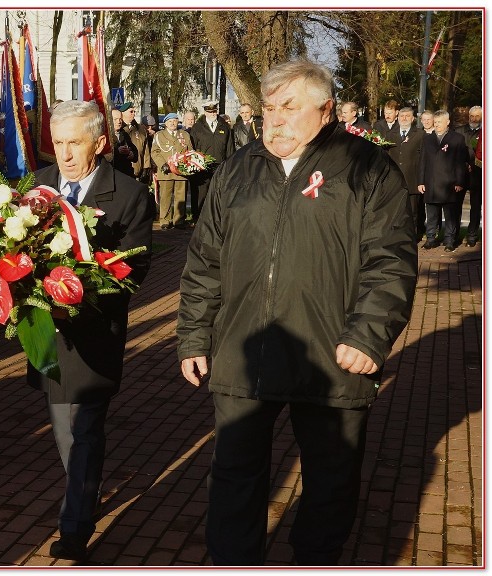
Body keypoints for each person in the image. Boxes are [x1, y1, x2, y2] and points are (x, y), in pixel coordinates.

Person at [177, 59, 417, 566]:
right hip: (244, 350)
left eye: (289, 107)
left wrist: (369, 337)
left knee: (330, 481)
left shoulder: (368, 169)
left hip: (332, 355)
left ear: (326, 110)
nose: (275, 119)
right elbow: (205, 263)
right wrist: (195, 337)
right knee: (234, 477)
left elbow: (390, 263)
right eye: (268, 108)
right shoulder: (238, 169)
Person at [29, 100, 154, 561]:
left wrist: (81, 295)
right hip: (46, 337)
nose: (63, 153)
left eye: (74, 143)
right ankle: (86, 490)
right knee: (64, 431)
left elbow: (135, 269)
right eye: (57, 143)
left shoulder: (127, 194)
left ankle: (76, 527)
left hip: (94, 336)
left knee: (83, 430)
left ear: (99, 143)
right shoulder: (38, 187)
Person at [418, 110, 468, 252]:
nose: (437, 124)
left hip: (449, 183)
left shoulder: (457, 138)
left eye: (440, 122)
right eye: (436, 122)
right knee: (432, 214)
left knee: (450, 215)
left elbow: (460, 163)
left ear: (447, 122)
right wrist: (421, 181)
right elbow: (423, 161)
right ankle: (431, 239)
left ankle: (449, 240)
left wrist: (459, 182)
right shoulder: (427, 139)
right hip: (431, 182)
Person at [189, 101, 234, 216]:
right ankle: (198, 216)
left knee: (218, 193)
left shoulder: (225, 126)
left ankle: (217, 217)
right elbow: (192, 148)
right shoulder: (197, 127)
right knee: (201, 193)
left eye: (214, 111)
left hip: (220, 166)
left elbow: (230, 148)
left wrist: (229, 165)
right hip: (202, 166)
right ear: (205, 112)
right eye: (210, 112)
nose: (212, 114)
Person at [388, 107, 425, 238]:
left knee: (413, 211)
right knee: (396, 210)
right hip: (395, 180)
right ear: (397, 118)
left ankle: (412, 236)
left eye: (407, 116)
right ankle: (396, 235)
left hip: (412, 178)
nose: (404, 119)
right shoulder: (390, 135)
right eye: (401, 116)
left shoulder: (420, 134)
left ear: (413, 118)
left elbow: (423, 158)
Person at [151, 112, 193, 230]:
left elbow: (190, 151)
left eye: (175, 121)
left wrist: (187, 164)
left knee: (181, 196)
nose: (173, 123)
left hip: (181, 171)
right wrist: (162, 164)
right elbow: (155, 152)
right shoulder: (159, 135)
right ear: (165, 123)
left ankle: (179, 220)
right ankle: (165, 220)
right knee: (165, 197)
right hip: (166, 172)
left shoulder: (184, 134)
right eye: (170, 121)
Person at [456, 105, 481, 246]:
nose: (474, 119)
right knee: (456, 205)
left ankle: (472, 235)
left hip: (478, 175)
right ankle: (454, 234)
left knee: (476, 206)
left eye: (477, 116)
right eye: (472, 116)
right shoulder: (459, 131)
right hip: (461, 174)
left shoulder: (486, 132)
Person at [119, 102, 151, 182]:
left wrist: (146, 168)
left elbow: (146, 150)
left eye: (134, 112)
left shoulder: (140, 129)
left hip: (138, 169)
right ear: (123, 113)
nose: (134, 114)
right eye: (131, 111)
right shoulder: (118, 128)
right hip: (122, 171)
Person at [110, 108, 138, 177]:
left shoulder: (124, 134)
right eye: (115, 119)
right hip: (112, 174)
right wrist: (117, 151)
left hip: (125, 175)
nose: (119, 122)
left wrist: (131, 154)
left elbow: (135, 151)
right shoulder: (105, 135)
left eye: (120, 119)